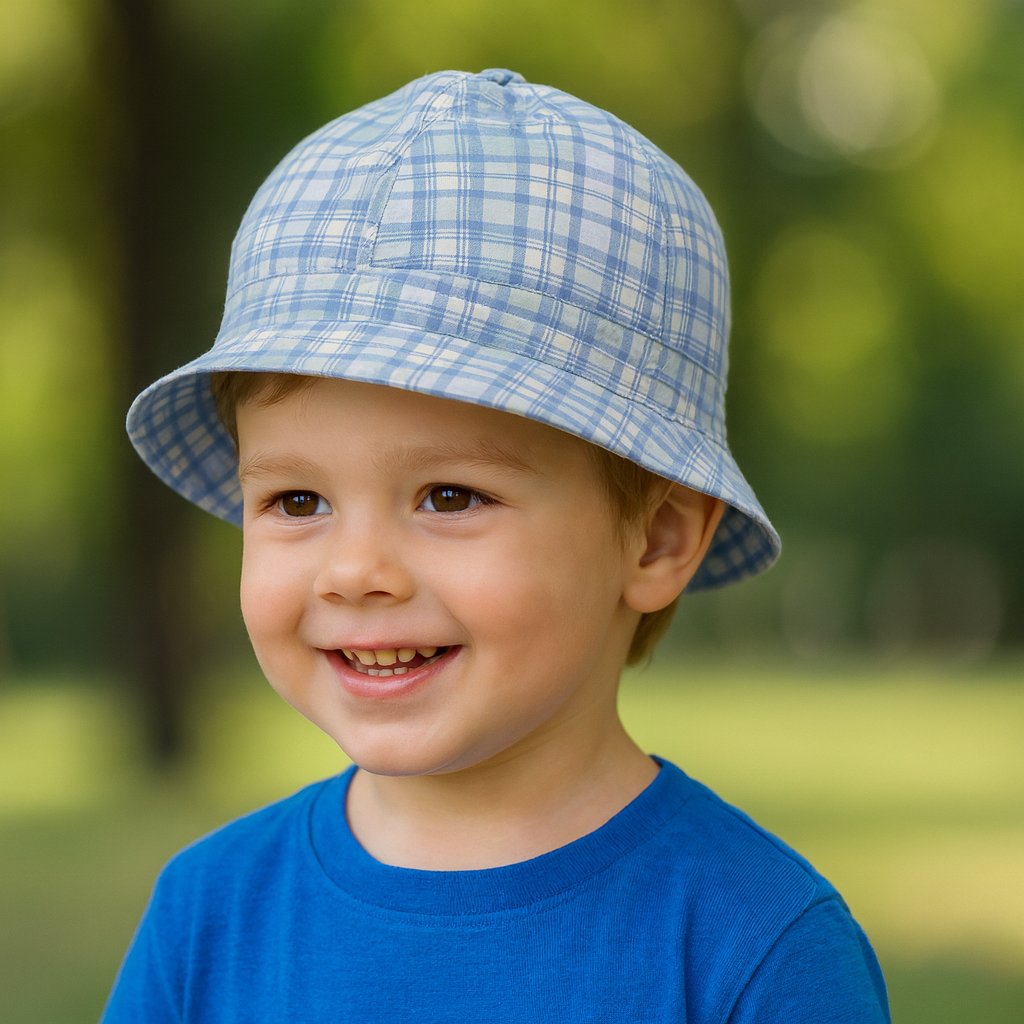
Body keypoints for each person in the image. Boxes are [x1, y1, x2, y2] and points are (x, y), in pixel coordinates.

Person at [103, 69, 889, 1022]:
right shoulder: (209, 916)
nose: (356, 572)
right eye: (298, 498)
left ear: (659, 538)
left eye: (448, 495)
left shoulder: (753, 945)